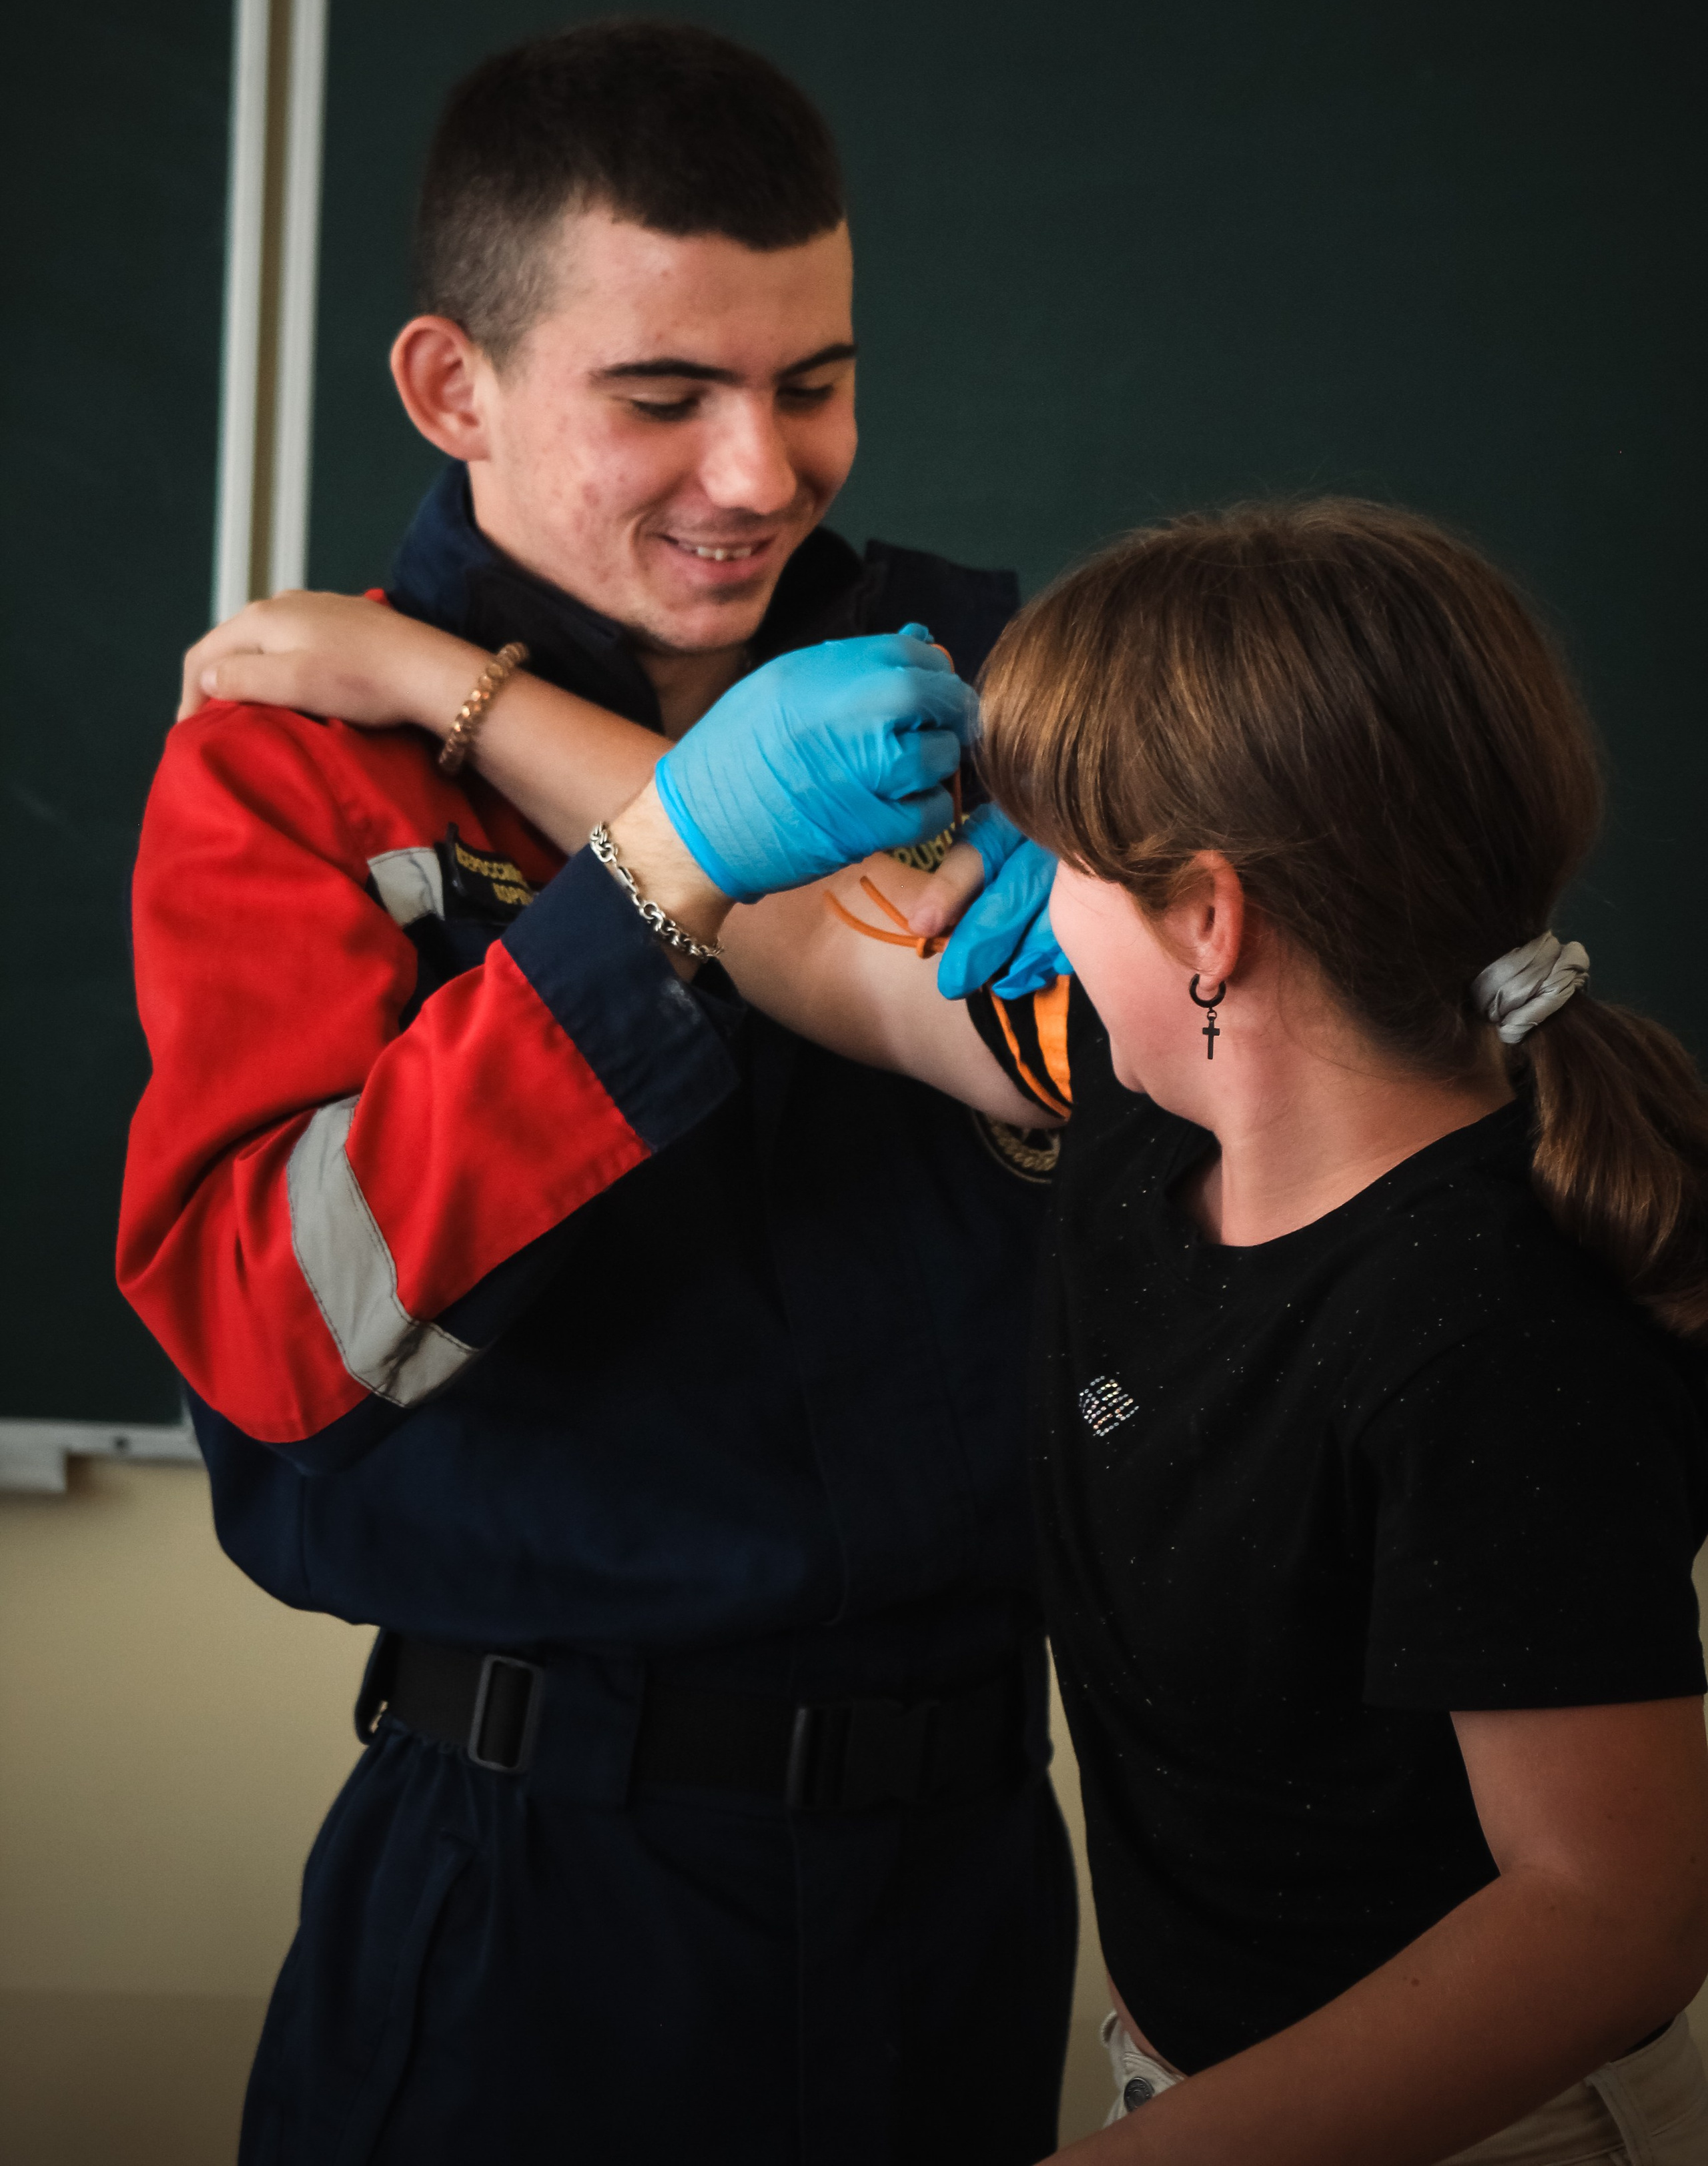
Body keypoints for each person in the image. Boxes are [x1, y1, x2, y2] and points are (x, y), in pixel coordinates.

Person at [205, 496, 1708, 2163]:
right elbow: (784, 929)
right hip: (1198, 2071)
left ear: (1209, 924)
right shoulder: (1139, 1139)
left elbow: (1605, 1920)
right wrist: (443, 687)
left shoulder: (1484, 1331)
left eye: (1053, 858)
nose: (959, 904)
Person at [119, 19, 1079, 2166]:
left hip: (972, 1878)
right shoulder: (294, 752)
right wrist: (630, 874)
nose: (759, 472)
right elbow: (286, 1335)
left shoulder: (987, 691)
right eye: (663, 396)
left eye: (812, 381)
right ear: (453, 386)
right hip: (541, 1886)